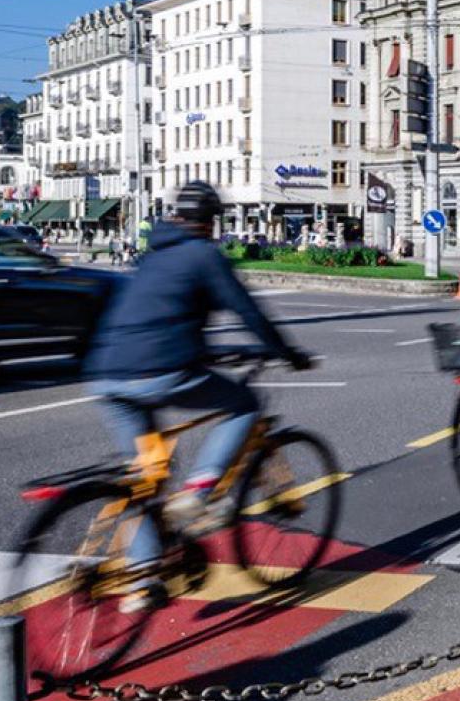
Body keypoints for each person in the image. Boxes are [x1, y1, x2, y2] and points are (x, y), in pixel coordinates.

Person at [85, 181, 311, 604]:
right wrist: (288, 353)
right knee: (245, 405)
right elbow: (248, 312)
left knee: (148, 475)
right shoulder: (205, 254)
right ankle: (199, 493)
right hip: (159, 370)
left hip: (107, 373)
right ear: (211, 221)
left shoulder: (153, 256)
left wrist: (214, 350)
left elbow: (162, 317)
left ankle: (142, 582)